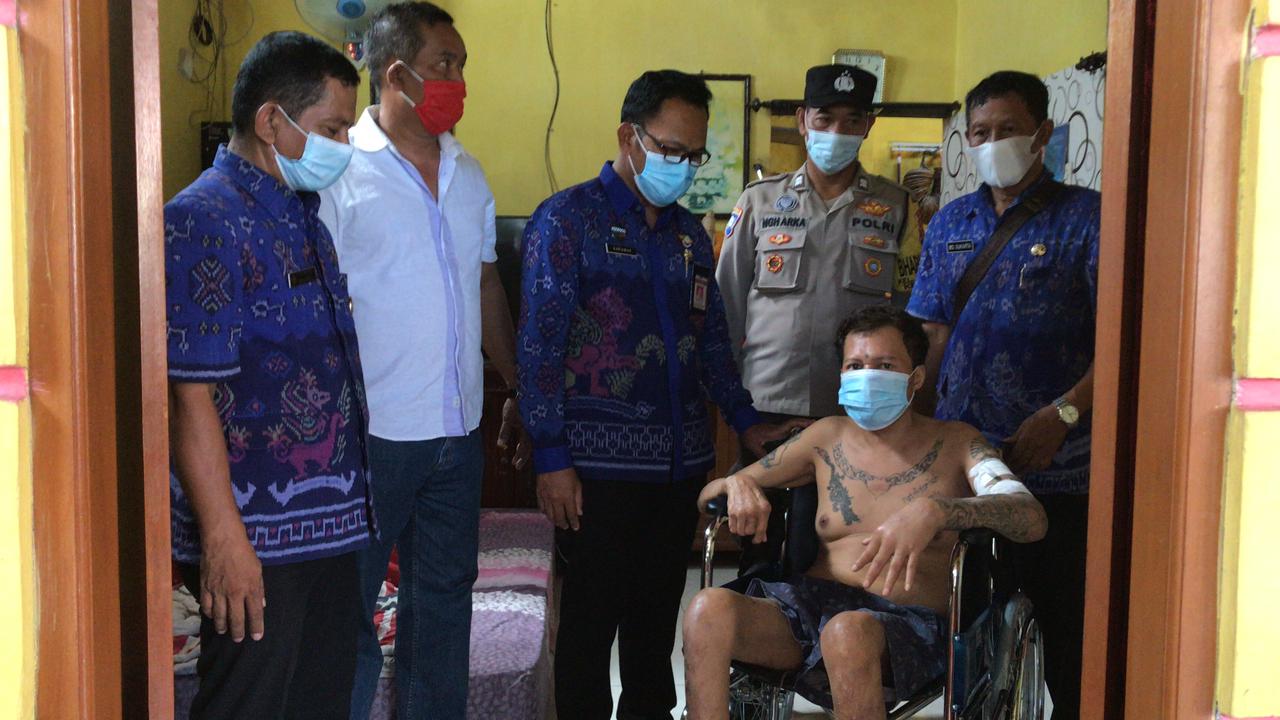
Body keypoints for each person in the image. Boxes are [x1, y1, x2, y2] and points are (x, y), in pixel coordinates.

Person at [517, 70, 800, 720]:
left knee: (653, 632)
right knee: (589, 630)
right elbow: (539, 347)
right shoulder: (567, 221)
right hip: (594, 473)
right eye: (672, 150)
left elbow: (712, 343)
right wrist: (551, 457)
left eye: (694, 155)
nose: (684, 167)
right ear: (630, 137)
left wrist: (746, 420)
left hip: (678, 472)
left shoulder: (689, 236)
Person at [682, 306, 1049, 719]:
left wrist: (937, 511)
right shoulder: (825, 437)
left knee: (847, 632)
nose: (867, 376)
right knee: (707, 611)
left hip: (910, 623)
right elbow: (709, 494)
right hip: (810, 608)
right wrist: (737, 485)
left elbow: (1030, 516)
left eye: (884, 365)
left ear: (916, 378)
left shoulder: (958, 442)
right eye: (855, 365)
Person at [316, 4, 528, 719]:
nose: (459, 79)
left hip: (456, 433)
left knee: (441, 607)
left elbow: (486, 285)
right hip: (370, 436)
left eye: (462, 64)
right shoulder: (340, 171)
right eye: (446, 63)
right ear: (396, 73)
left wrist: (517, 385)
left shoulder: (469, 174)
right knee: (351, 614)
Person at [165, 31, 368, 719]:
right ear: (270, 121)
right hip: (258, 537)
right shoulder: (201, 221)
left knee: (319, 702)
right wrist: (224, 540)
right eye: (331, 129)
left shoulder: (303, 218)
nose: (343, 145)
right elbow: (188, 397)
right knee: (247, 707)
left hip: (331, 527)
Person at [907, 70, 1099, 719]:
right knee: (971, 635)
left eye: (1008, 130)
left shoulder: (1088, 219)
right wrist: (916, 435)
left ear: (1042, 134)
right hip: (968, 469)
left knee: (1070, 638)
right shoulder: (949, 223)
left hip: (1060, 470)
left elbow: (1128, 342)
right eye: (980, 133)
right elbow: (932, 336)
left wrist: (1064, 413)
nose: (993, 144)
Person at [716, 65, 911, 568]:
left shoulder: (897, 208)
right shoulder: (759, 201)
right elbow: (724, 310)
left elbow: (910, 316)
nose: (837, 132)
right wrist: (735, 409)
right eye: (825, 118)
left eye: (852, 120)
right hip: (766, 409)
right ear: (803, 120)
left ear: (869, 125)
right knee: (759, 543)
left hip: (856, 411)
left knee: (840, 548)